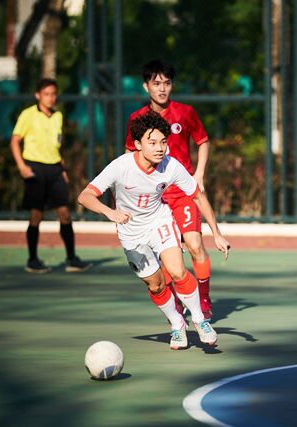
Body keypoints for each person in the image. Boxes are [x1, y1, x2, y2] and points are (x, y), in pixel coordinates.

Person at [78, 111, 230, 350]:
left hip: (160, 222)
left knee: (178, 271)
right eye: (152, 142)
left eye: (163, 142)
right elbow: (85, 196)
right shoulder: (121, 166)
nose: (160, 148)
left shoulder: (171, 166)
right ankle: (177, 324)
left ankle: (200, 320)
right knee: (156, 284)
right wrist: (110, 212)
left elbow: (198, 196)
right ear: (138, 144)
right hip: (131, 232)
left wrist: (216, 233)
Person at [124, 60, 215, 321]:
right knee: (166, 256)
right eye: (156, 83)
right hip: (155, 199)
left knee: (195, 244)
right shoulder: (137, 119)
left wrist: (199, 173)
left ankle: (204, 299)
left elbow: (203, 141)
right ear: (146, 86)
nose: (162, 88)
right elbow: (129, 155)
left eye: (167, 83)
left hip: (182, 193)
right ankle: (176, 303)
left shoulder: (185, 112)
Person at [10, 78, 92, 274]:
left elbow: (57, 146)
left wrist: (62, 169)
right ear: (38, 95)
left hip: (55, 170)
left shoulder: (58, 116)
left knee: (65, 213)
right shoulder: (28, 114)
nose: (50, 98)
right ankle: (32, 260)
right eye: (46, 94)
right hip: (35, 168)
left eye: (53, 94)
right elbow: (14, 141)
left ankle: (72, 259)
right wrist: (21, 166)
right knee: (36, 215)